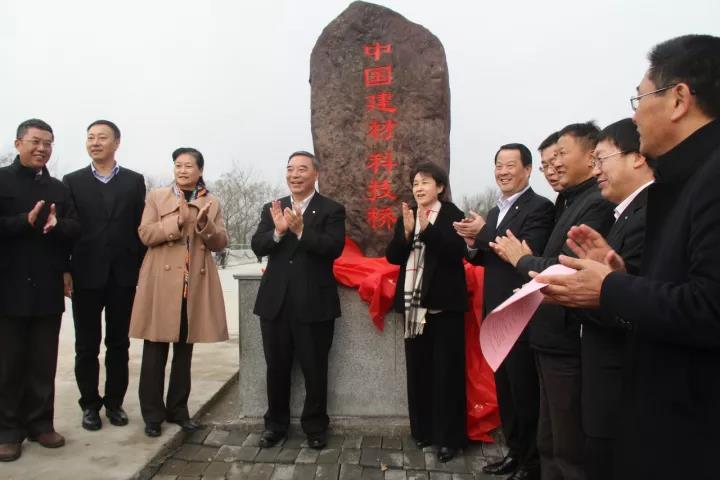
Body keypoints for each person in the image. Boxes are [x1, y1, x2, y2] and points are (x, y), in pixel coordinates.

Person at [536, 35, 720, 480]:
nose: (634, 115)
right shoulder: (686, 179)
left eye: (640, 98)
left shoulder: (711, 178)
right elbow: (678, 288)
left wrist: (611, 288)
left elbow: (709, 308)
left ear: (678, 99)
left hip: (692, 432)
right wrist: (620, 276)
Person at [492, 122, 615, 480]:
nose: (554, 166)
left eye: (560, 155)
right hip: (545, 333)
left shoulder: (595, 203)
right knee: (550, 438)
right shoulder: (569, 201)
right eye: (548, 161)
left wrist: (522, 259)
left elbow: (567, 267)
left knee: (567, 444)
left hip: (565, 335)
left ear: (592, 157)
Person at [454, 144, 554, 480]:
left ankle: (532, 463)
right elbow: (487, 256)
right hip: (495, 311)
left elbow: (525, 255)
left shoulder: (540, 208)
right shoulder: (495, 211)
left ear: (527, 169)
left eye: (510, 165)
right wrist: (472, 245)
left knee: (525, 391)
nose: (503, 171)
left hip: (521, 311)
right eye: (498, 164)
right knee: (506, 390)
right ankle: (514, 452)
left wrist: (483, 233)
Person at [573, 118, 654, 480]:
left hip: (622, 381)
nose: (596, 171)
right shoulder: (624, 215)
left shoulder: (650, 214)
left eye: (602, 159)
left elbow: (638, 302)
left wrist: (579, 292)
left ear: (637, 157)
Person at [129, 147, 228, 438]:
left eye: (188, 166)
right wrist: (177, 222)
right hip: (161, 282)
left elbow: (221, 242)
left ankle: (178, 410)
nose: (182, 170)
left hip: (192, 284)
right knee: (154, 350)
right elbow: (145, 234)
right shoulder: (157, 196)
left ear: (200, 170)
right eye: (178, 165)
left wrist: (205, 226)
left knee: (185, 351)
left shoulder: (211, 201)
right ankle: (152, 415)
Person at [251, 151, 345, 450]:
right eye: (290, 169)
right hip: (275, 303)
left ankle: (315, 426)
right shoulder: (273, 208)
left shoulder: (331, 209)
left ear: (315, 174)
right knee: (276, 368)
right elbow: (258, 245)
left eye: (302, 169)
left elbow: (334, 248)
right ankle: (275, 425)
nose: (294, 174)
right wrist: (278, 232)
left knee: (315, 369)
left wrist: (302, 231)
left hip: (314, 303)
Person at [0, 119, 81, 462]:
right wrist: (23, 221)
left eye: (48, 143)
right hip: (8, 286)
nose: (42, 148)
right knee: (8, 363)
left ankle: (41, 423)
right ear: (18, 143)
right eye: (35, 141)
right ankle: (8, 431)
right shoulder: (2, 180)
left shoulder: (58, 188)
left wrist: (58, 225)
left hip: (47, 286)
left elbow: (76, 227)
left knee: (43, 360)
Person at [62, 120, 146, 431]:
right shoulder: (72, 181)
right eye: (90, 137)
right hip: (85, 275)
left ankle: (114, 403)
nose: (95, 142)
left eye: (102, 137)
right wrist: (65, 269)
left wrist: (141, 270)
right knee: (86, 345)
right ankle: (89, 405)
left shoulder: (134, 181)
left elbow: (140, 228)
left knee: (119, 344)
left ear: (116, 142)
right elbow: (67, 230)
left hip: (123, 276)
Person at [386, 162, 468, 463]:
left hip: (445, 306)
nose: (419, 188)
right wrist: (407, 233)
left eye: (425, 182)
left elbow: (455, 251)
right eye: (415, 183)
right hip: (414, 309)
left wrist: (427, 230)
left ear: (440, 187)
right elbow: (393, 257)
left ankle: (450, 439)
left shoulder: (452, 214)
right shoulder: (407, 215)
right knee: (419, 371)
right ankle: (423, 431)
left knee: (447, 374)